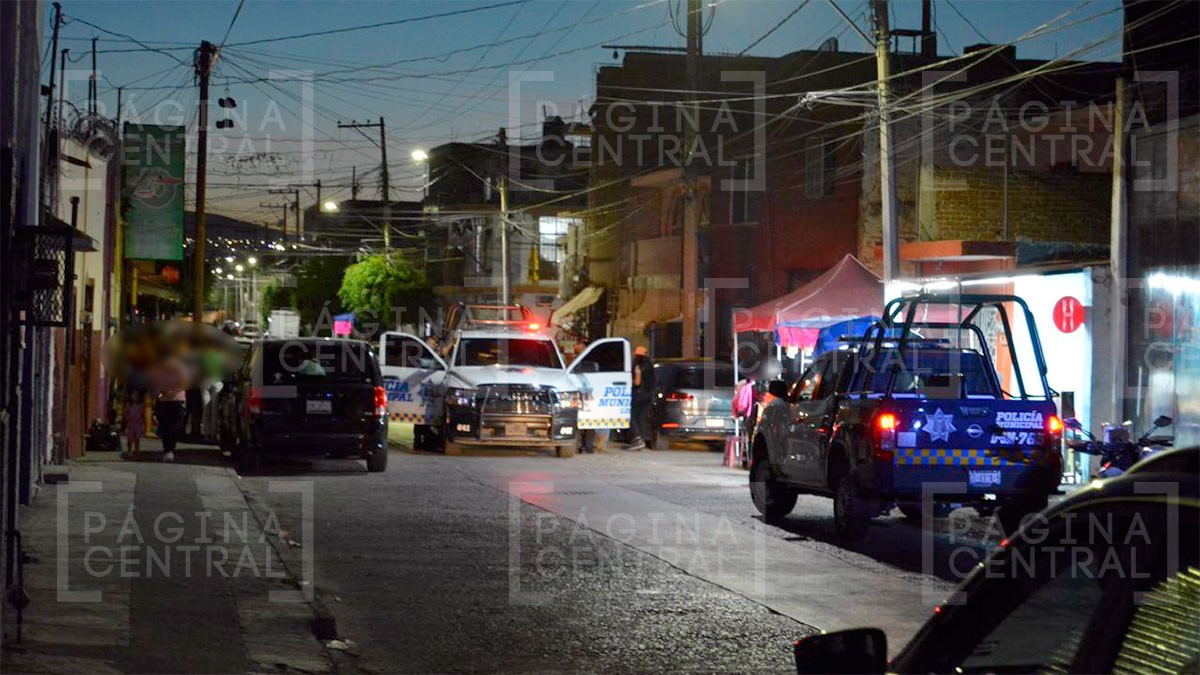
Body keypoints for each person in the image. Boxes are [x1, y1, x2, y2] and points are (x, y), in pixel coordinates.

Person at [151, 356, 189, 462]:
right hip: (163, 401)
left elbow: (184, 382)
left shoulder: (181, 369)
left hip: (177, 400)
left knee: (174, 427)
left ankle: (170, 450)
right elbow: (156, 383)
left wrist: (172, 392)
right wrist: (161, 393)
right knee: (164, 427)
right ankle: (167, 450)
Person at [627, 345, 654, 451]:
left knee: (631, 415)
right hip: (648, 395)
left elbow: (637, 382)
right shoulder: (649, 365)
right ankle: (642, 439)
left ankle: (637, 438)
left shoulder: (638, 366)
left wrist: (630, 382)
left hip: (638, 394)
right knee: (642, 417)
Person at [123, 389, 146, 456]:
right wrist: (128, 418)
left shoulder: (141, 405)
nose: (135, 397)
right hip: (131, 423)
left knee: (137, 438)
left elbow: (143, 414)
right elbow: (125, 413)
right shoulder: (128, 404)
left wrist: (143, 424)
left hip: (138, 423)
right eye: (134, 395)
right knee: (130, 438)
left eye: (137, 395)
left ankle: (137, 450)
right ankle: (129, 450)